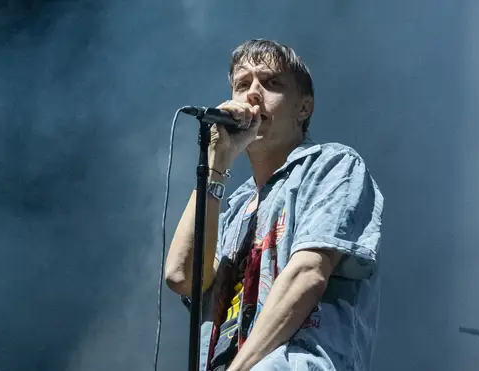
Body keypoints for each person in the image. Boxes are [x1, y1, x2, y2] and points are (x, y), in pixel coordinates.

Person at [164, 39, 384, 371]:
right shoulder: (234, 206)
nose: (253, 94)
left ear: (303, 108)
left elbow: (307, 274)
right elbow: (181, 276)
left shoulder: (331, 165)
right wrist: (217, 163)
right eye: (242, 84)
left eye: (271, 83)